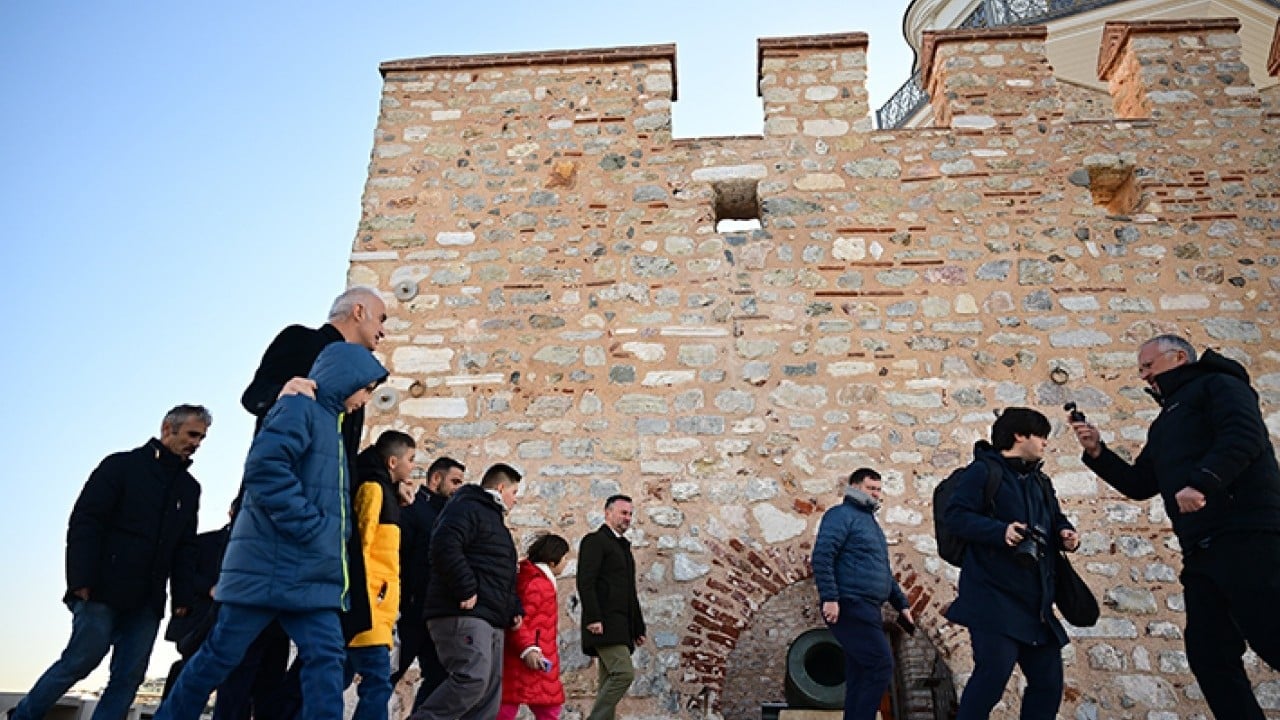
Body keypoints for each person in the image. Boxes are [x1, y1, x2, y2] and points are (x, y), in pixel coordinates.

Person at [154, 342, 388, 720]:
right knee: (219, 657)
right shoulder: (299, 408)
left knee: (327, 661)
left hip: (308, 572)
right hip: (267, 568)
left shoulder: (331, 422)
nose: (365, 399)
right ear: (346, 380)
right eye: (365, 388)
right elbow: (265, 470)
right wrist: (311, 526)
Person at [1071, 335, 1280, 719]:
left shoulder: (1221, 386)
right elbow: (1140, 483)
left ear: (1178, 357)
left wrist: (1203, 482)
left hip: (1247, 535)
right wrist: (1098, 452)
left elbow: (1244, 437)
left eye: (1148, 366)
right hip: (1201, 549)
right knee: (1209, 655)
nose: (1144, 376)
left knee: (1272, 635)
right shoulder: (1166, 422)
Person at [222, 285, 389, 719]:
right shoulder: (301, 341)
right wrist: (285, 388)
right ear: (358, 311)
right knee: (253, 640)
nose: (383, 331)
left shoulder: (357, 377)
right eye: (381, 319)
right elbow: (253, 395)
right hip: (281, 512)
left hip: (329, 518)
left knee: (336, 635)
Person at [11, 405, 209, 720]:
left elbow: (185, 547)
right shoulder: (120, 466)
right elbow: (86, 523)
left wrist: (182, 598)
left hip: (148, 600)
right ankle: (23, 716)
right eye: (192, 434)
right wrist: (80, 581)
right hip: (101, 588)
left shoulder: (189, 488)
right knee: (79, 661)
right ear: (167, 428)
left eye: (202, 438)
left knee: (129, 676)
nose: (197, 443)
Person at [945, 407, 1080, 720]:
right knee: (992, 677)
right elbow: (956, 517)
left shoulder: (1040, 481)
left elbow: (1055, 518)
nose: (1046, 442)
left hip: (1035, 601)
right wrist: (1000, 531)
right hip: (992, 596)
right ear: (1020, 436)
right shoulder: (983, 472)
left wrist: (1066, 533)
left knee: (1048, 683)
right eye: (1041, 435)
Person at [410, 463, 525, 720]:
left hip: (491, 616)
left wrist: (513, 608)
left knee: (488, 698)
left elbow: (499, 571)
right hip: (464, 612)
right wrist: (465, 589)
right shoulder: (466, 507)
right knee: (472, 679)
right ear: (501, 487)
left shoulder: (494, 521)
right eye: (515, 492)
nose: (516, 500)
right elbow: (444, 546)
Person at [810, 468, 914, 720]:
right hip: (850, 603)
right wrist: (830, 598)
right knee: (880, 665)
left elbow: (882, 571)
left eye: (879, 489)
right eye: (871, 488)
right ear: (855, 487)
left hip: (868, 606)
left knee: (859, 672)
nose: (877, 494)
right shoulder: (840, 515)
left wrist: (902, 604)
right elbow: (822, 556)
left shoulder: (870, 524)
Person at [343, 430, 417, 720]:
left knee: (341, 676)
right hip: (370, 603)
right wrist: (366, 596)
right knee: (376, 680)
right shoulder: (373, 490)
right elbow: (360, 543)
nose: (413, 467)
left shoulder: (385, 491)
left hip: (377, 605)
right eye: (410, 460)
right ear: (391, 462)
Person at [393, 456, 467, 711]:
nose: (459, 488)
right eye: (455, 481)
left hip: (435, 615)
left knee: (439, 678)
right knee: (386, 676)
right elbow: (400, 557)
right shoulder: (413, 510)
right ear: (436, 479)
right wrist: (403, 601)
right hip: (411, 612)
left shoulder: (447, 515)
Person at [577, 495, 646, 720]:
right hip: (604, 624)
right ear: (608, 513)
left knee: (608, 681)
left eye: (630, 514)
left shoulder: (621, 547)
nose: (627, 518)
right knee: (623, 674)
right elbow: (586, 581)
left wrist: (638, 628)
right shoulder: (595, 541)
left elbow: (628, 591)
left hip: (621, 626)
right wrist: (593, 618)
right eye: (623, 513)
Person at [161, 500, 236, 698]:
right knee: (190, 671)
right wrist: (210, 588)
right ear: (231, 512)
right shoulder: (202, 543)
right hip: (200, 620)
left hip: (234, 623)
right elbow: (182, 574)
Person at [499, 534, 571, 720]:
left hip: (530, 654)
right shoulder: (538, 585)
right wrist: (528, 648)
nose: (566, 562)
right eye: (565, 557)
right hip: (532, 656)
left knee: (508, 705)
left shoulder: (532, 579)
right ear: (553, 560)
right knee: (545, 709)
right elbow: (519, 620)